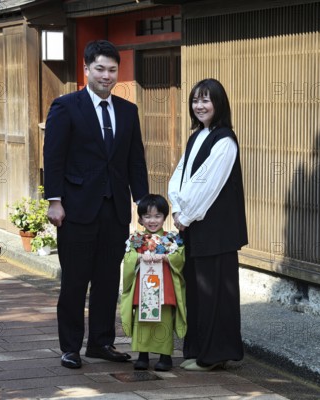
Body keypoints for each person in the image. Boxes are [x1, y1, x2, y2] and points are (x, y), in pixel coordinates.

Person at [44, 40, 149, 369]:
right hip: (75, 209)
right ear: (86, 69)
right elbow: (54, 157)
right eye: (100, 69)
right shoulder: (66, 106)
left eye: (112, 70)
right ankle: (70, 347)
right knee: (75, 281)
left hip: (114, 209)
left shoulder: (128, 111)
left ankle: (101, 343)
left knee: (107, 280)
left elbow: (136, 161)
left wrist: (144, 206)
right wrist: (54, 201)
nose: (107, 75)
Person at [167, 78, 248, 371]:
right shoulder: (197, 136)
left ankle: (215, 355)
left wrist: (184, 216)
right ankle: (199, 350)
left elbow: (208, 185)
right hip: (194, 226)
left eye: (206, 100)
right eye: (195, 101)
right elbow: (180, 176)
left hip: (216, 232)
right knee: (198, 293)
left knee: (215, 294)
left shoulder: (224, 140)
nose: (199, 106)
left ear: (219, 104)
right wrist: (176, 208)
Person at [120, 194, 186, 372]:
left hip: (164, 288)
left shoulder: (171, 238)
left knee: (164, 319)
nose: (152, 220)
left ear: (165, 217)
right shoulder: (137, 239)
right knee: (142, 321)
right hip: (144, 289)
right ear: (140, 219)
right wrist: (139, 256)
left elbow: (179, 257)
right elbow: (128, 258)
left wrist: (166, 257)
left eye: (157, 216)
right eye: (147, 216)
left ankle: (165, 356)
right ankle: (143, 355)